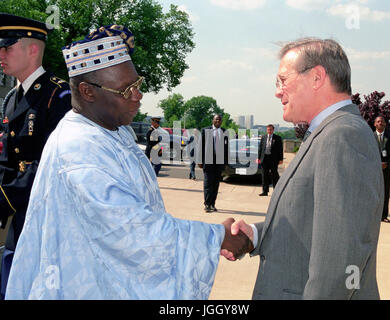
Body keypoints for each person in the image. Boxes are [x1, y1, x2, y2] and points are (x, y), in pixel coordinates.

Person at [4, 25, 252, 300]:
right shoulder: (79, 148)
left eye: (138, 84)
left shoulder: (114, 130)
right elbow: (133, 233)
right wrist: (216, 237)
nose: (138, 95)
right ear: (87, 91)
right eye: (125, 90)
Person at [223, 37, 384, 299]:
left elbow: (340, 261)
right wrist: (254, 234)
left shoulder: (343, 136)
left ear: (317, 77)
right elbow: (312, 222)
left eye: (283, 80)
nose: (277, 91)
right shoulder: (326, 133)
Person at [0, 13, 71, 299]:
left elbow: (55, 167)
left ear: (32, 49)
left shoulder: (59, 96)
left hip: (49, 227)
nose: (0, 54)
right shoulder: (10, 99)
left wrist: (4, 197)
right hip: (19, 222)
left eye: (7, 47)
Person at [198, 114, 229, 213]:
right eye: (216, 119)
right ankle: (207, 204)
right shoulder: (205, 131)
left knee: (216, 184)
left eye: (219, 120)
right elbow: (200, 146)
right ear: (213, 120)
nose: (218, 121)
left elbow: (226, 149)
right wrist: (199, 160)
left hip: (219, 163)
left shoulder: (224, 132)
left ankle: (212, 204)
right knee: (208, 184)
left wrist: (225, 162)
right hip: (208, 161)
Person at [373, 115, 390, 223]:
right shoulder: (370, 136)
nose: (380, 123)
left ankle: (383, 216)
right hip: (372, 170)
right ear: (375, 124)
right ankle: (372, 215)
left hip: (385, 169)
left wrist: (387, 163)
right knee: (372, 191)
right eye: (378, 121)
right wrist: (375, 164)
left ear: (385, 124)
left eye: (382, 121)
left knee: (385, 192)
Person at [257, 124, 283, 196]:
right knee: (264, 175)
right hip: (264, 159)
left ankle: (276, 191)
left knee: (275, 175)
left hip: (273, 159)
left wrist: (281, 159)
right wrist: (259, 158)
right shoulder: (263, 137)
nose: (269, 131)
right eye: (268, 129)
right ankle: (265, 191)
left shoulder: (277, 138)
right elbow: (260, 148)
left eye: (271, 129)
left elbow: (280, 149)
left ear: (273, 130)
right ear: (266, 130)